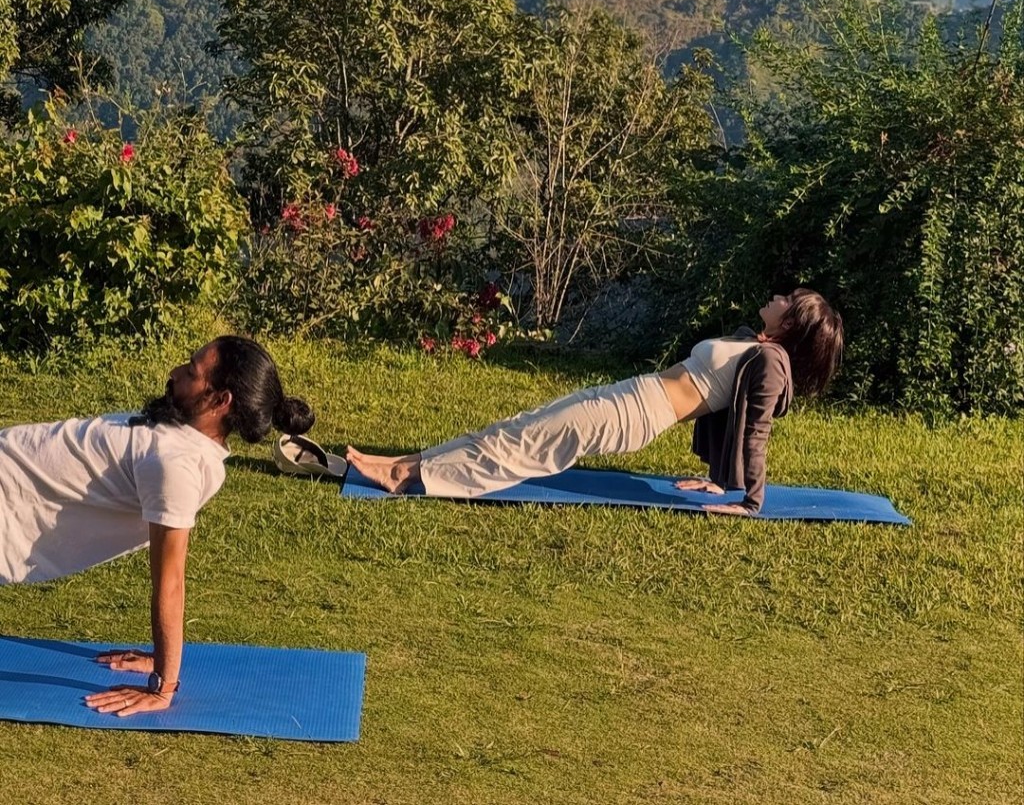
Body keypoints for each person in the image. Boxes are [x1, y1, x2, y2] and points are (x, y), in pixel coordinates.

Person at [0, 335, 313, 717]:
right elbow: (171, 582)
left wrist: (162, 678)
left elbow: (170, 582)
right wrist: (165, 681)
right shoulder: (174, 455)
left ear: (219, 401)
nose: (176, 373)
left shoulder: (179, 459)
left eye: (191, 372)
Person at [345, 289, 843, 516]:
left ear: (791, 323)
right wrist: (715, 476)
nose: (778, 297)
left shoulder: (772, 362)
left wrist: (750, 501)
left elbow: (755, 430)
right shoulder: (757, 344)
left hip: (637, 414)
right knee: (517, 429)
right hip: (631, 394)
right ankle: (407, 464)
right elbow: (725, 406)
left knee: (524, 446)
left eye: (787, 301)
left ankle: (409, 479)